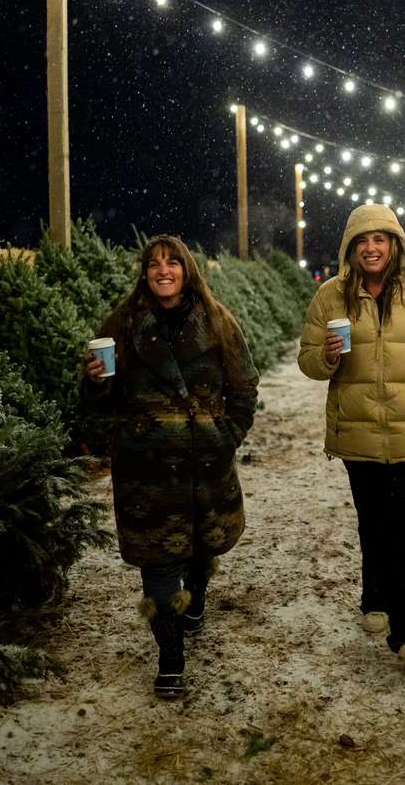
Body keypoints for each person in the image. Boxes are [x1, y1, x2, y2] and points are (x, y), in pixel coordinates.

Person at [82, 235, 258, 698]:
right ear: (145, 273)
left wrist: (226, 435)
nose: (163, 270)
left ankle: (197, 594)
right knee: (159, 563)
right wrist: (97, 385)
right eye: (154, 264)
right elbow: (98, 402)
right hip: (148, 470)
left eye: (172, 263)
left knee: (201, 547)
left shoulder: (219, 323)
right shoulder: (122, 325)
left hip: (205, 464)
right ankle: (170, 653)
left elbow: (244, 388)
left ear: (187, 270)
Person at [298, 204, 405, 666]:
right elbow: (307, 359)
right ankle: (376, 599)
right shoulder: (331, 297)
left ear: (395, 245)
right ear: (351, 248)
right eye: (362, 241)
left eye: (380, 240)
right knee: (372, 521)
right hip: (359, 431)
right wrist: (327, 357)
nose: (372, 248)